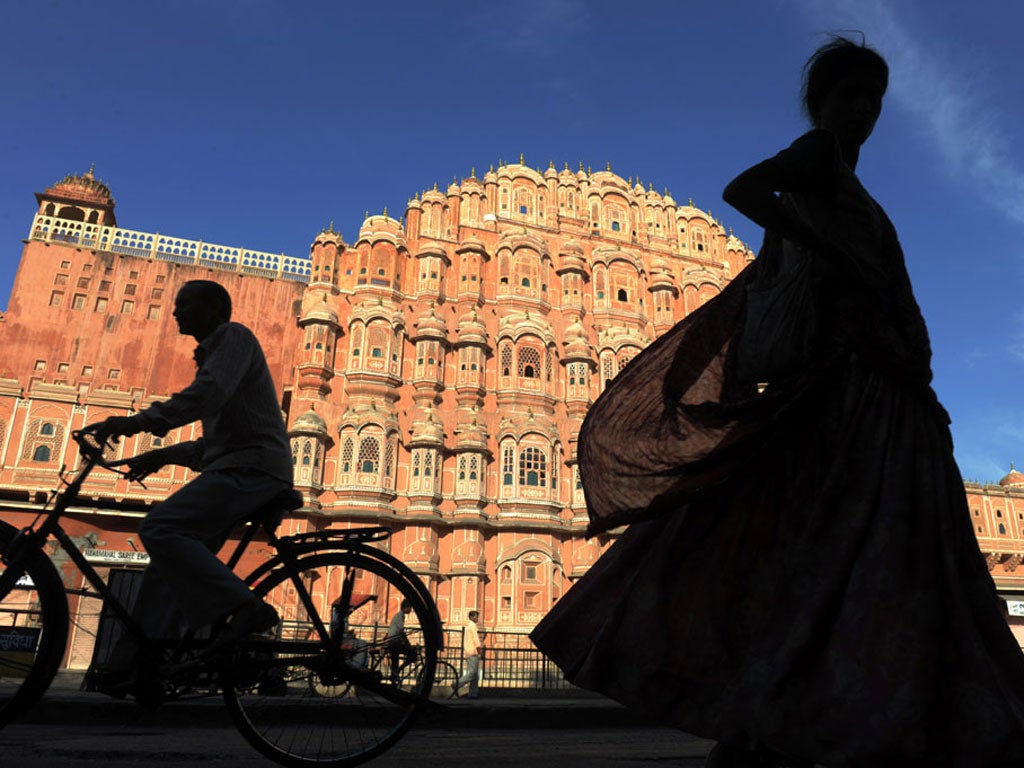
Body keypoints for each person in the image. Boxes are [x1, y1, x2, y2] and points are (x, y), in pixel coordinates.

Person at [530, 36, 1024, 768]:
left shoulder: (844, 182)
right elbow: (746, 190)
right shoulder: (819, 157)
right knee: (869, 548)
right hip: (856, 393)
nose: (862, 110)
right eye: (848, 95)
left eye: (873, 99)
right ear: (821, 103)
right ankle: (825, 718)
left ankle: (784, 719)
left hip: (884, 389)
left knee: (841, 550)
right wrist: (824, 244)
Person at [85, 279, 293, 691]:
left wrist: (138, 422)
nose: (176, 311)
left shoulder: (233, 337)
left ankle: (246, 607)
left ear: (215, 309)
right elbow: (213, 445)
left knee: (161, 527)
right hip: (238, 466)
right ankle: (140, 666)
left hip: (252, 469)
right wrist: (160, 455)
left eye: (185, 303)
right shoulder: (216, 354)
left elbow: (207, 395)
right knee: (170, 565)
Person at [385, 599, 417, 682]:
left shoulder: (399, 616)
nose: (410, 610)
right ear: (406, 607)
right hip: (394, 642)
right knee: (413, 654)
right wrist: (408, 645)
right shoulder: (400, 616)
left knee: (395, 662)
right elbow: (401, 632)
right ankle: (398, 671)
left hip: (393, 642)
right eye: (410, 608)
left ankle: (395, 674)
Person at [456, 610, 484, 699]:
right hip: (472, 651)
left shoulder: (469, 626)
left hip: (469, 651)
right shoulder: (472, 626)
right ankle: (456, 684)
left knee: (475, 675)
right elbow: (475, 639)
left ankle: (473, 693)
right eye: (475, 617)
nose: (477, 618)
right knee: (473, 673)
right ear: (471, 617)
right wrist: (479, 649)